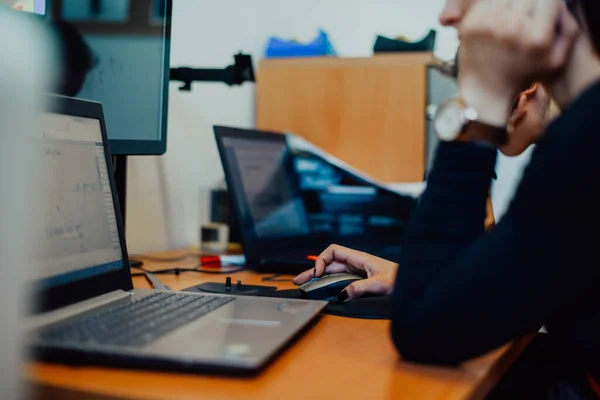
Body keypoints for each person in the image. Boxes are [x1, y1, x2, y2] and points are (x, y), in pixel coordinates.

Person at [293, 0, 600, 397]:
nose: (448, 15)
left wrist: (481, 99)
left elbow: (425, 331)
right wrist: (419, 281)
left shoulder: (585, 142)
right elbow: (525, 278)